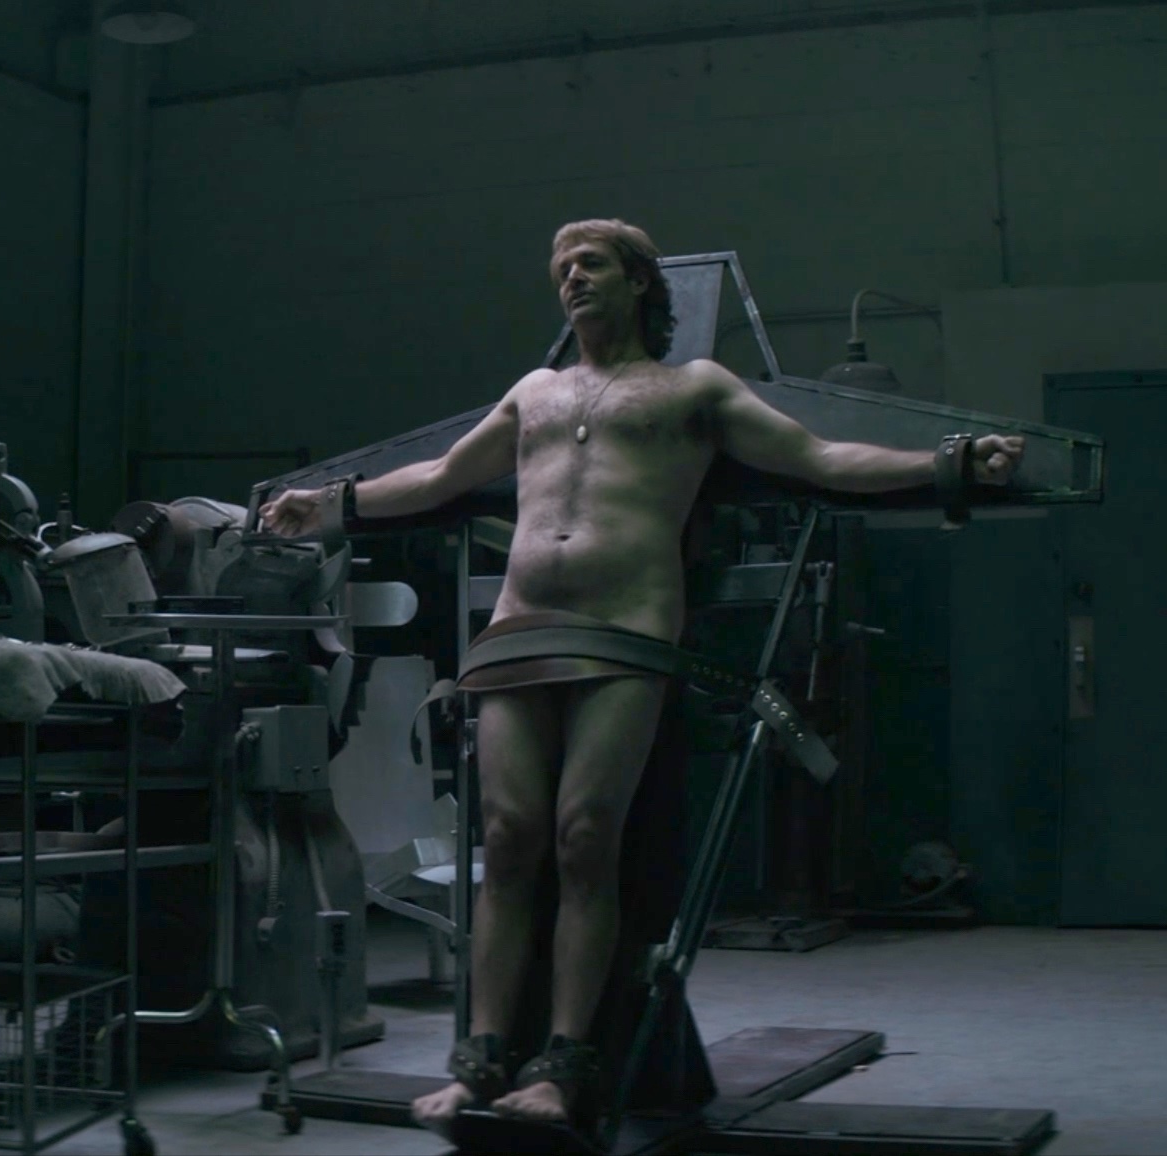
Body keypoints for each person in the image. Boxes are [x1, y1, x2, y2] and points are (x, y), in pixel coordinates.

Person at [259, 219, 1021, 1139]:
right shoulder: (535, 391)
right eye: (561, 267)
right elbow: (440, 477)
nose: (572, 277)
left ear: (639, 282)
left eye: (592, 263)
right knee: (508, 840)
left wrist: (948, 463)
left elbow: (819, 459)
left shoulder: (695, 388)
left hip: (625, 633)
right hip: (518, 629)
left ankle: (562, 1067)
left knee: (586, 839)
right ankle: (480, 1062)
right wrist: (333, 506)